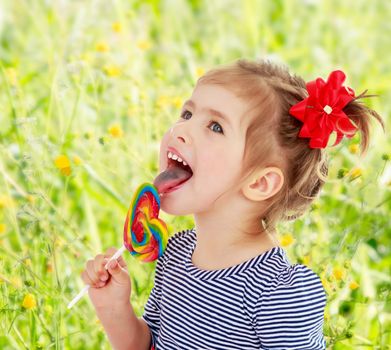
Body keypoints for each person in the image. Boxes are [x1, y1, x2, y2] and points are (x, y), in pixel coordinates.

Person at [81, 59, 385, 350]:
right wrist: (113, 308)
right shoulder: (175, 254)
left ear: (259, 183)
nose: (180, 130)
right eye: (187, 114)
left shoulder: (276, 293)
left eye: (215, 127)